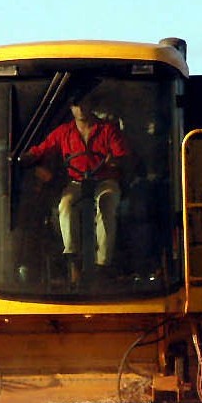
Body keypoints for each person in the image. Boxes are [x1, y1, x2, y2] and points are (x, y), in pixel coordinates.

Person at [19, 95, 130, 282]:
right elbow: (44, 148)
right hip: (77, 182)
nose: (80, 109)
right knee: (65, 205)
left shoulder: (108, 130)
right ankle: (73, 259)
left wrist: (115, 162)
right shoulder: (64, 132)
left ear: (92, 105)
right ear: (71, 108)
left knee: (106, 202)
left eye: (84, 103)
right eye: (76, 105)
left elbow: (123, 157)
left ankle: (103, 264)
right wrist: (28, 156)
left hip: (104, 181)